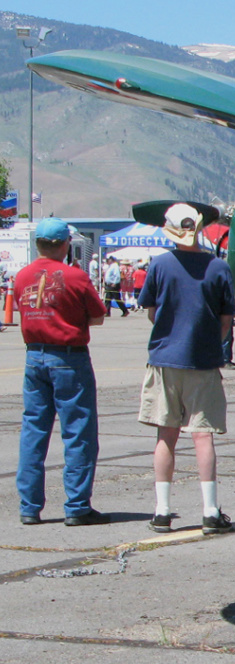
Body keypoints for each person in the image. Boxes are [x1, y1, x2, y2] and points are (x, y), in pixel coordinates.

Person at [136, 203, 235, 534]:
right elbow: (225, 320)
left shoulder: (160, 265)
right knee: (203, 435)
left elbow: (151, 311)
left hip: (165, 358)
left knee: (166, 434)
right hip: (203, 361)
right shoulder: (219, 268)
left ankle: (162, 511)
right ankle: (210, 510)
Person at [15, 218, 110, 526]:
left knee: (33, 431)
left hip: (34, 356)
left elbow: (22, 307)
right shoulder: (75, 276)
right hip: (68, 358)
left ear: (38, 244)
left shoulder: (22, 276)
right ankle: (77, 505)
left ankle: (29, 506)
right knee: (78, 431)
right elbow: (97, 317)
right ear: (66, 244)